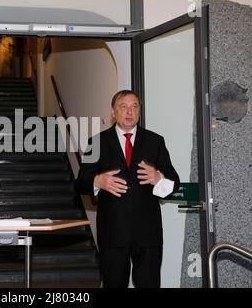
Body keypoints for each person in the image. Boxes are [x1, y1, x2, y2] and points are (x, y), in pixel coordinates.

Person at [75, 90, 179, 288]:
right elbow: (80, 183)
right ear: (113, 112)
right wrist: (97, 181)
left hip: (148, 234)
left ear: (139, 111)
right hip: (112, 233)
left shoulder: (155, 141)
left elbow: (174, 183)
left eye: (135, 106)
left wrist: (159, 178)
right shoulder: (96, 142)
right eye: (124, 106)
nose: (130, 111)